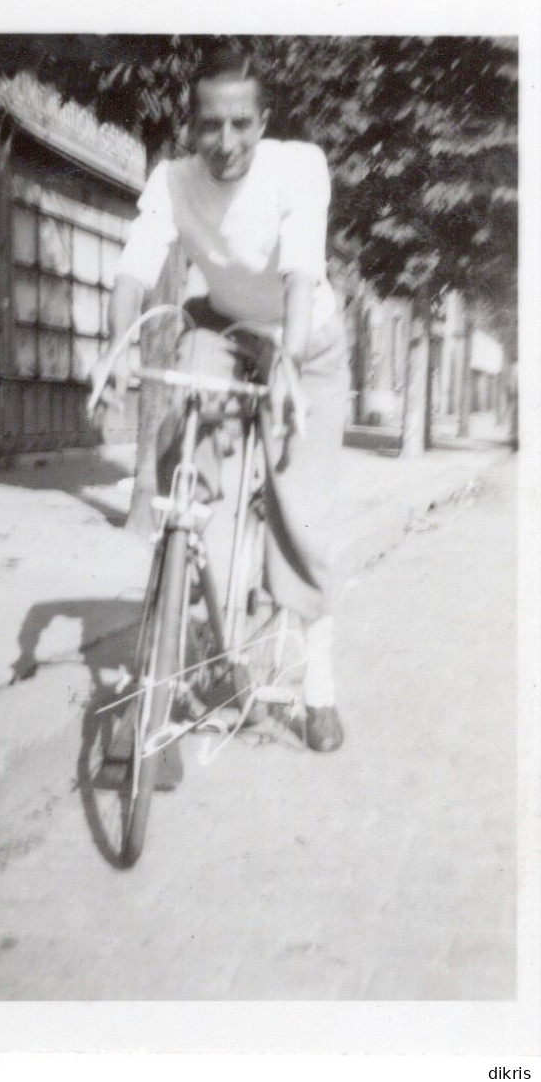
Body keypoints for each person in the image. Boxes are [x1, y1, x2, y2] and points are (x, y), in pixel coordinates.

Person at [93, 44, 349, 755]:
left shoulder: (298, 168)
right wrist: (117, 347)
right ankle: (207, 656)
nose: (225, 143)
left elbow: (300, 275)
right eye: (210, 125)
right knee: (194, 491)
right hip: (224, 326)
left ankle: (318, 685)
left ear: (262, 121)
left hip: (308, 343)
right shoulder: (173, 180)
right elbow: (133, 270)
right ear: (191, 125)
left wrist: (288, 367)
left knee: (299, 512)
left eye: (240, 124)